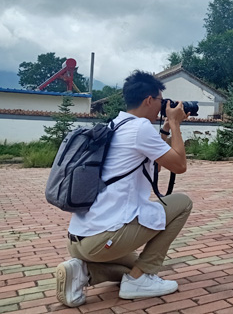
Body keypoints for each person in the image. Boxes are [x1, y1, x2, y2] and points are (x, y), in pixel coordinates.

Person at [55, 71, 193, 307]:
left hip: (80, 240)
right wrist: (178, 125)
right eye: (161, 101)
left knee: (132, 266)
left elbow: (154, 168)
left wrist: (166, 129)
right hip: (104, 239)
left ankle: (83, 271)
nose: (163, 107)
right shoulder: (140, 128)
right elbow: (179, 165)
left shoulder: (115, 125)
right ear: (149, 100)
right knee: (182, 203)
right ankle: (138, 282)